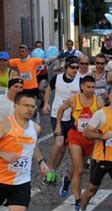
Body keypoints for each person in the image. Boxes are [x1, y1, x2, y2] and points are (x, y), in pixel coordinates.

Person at [54, 75, 104, 211]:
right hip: (76, 136)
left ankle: (67, 180)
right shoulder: (74, 99)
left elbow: (105, 116)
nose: (91, 90)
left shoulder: (98, 101)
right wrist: (58, 125)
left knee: (78, 169)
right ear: (82, 86)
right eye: (88, 87)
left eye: (93, 87)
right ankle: (77, 200)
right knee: (80, 170)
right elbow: (60, 109)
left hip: (90, 138)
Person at [42, 56, 82, 185]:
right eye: (72, 67)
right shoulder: (57, 78)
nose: (75, 70)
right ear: (66, 67)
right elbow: (49, 88)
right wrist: (46, 103)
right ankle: (50, 171)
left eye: (77, 67)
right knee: (59, 143)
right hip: (56, 115)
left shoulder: (80, 81)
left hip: (71, 118)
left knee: (64, 148)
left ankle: (53, 171)